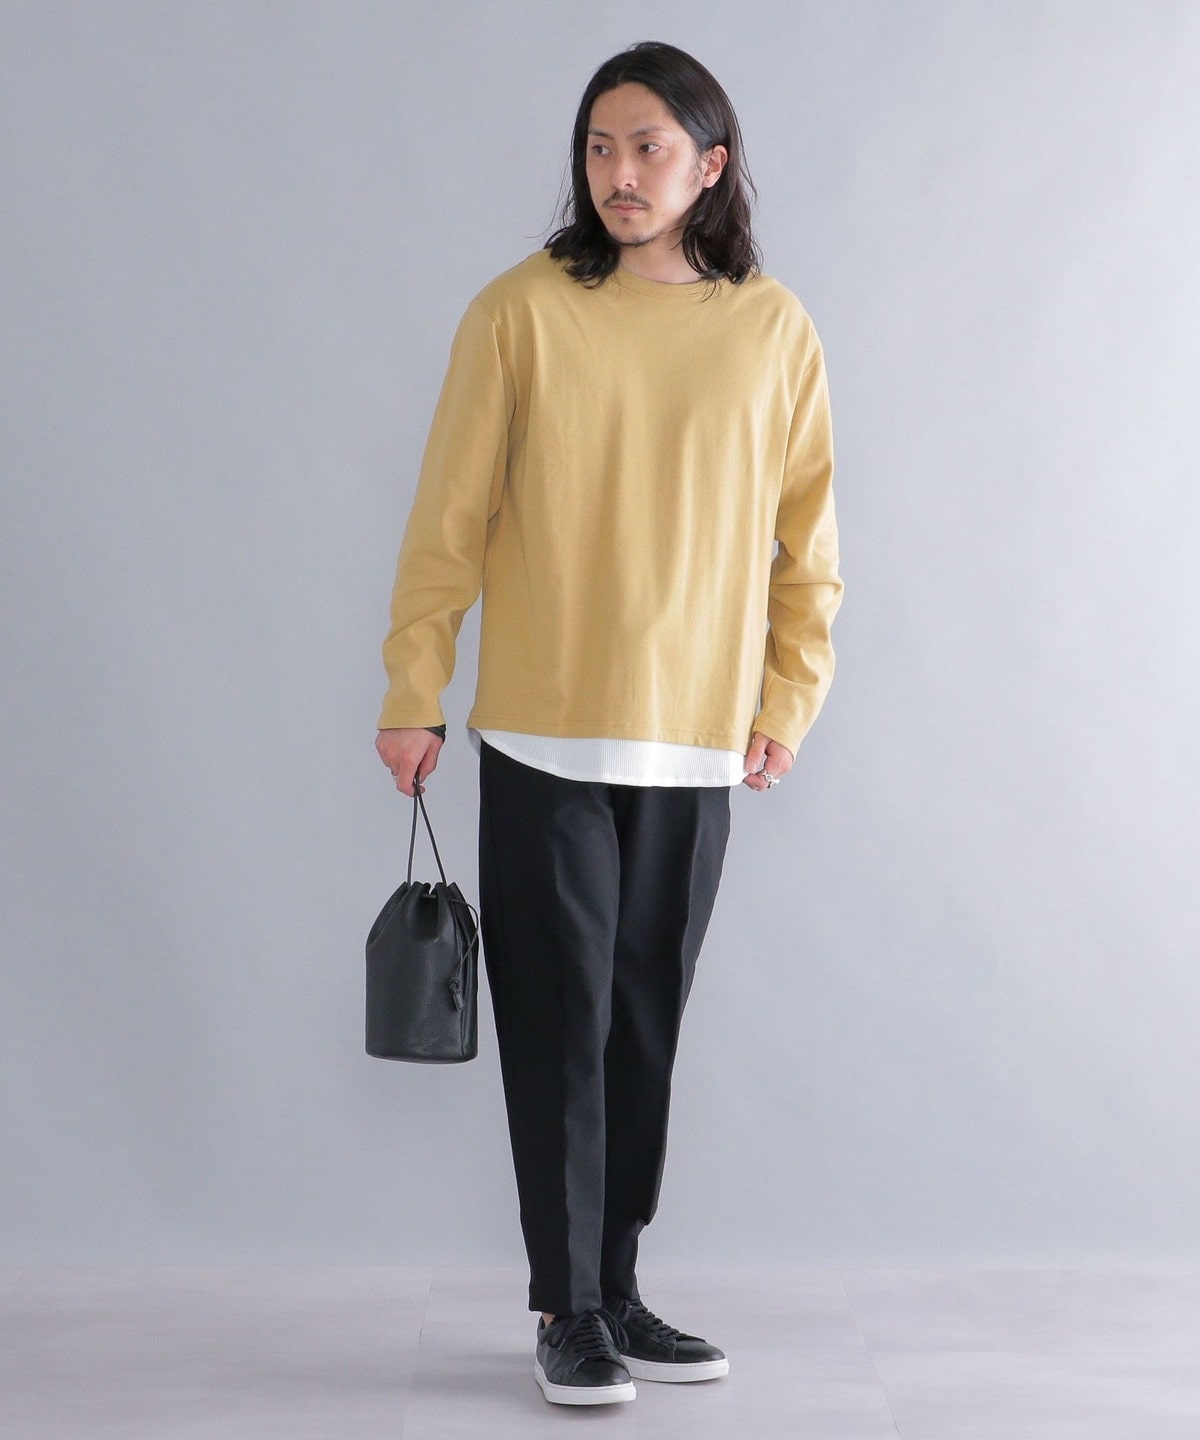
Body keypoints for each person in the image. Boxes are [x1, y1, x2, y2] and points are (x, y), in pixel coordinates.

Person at [375, 40, 843, 1407]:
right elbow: (447, 522)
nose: (620, 173)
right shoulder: (518, 312)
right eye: (599, 146)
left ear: (711, 165)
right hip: (543, 730)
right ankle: (563, 1304)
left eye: (649, 147)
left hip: (694, 738)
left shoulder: (774, 330)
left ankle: (618, 1287)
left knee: (644, 1026)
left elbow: (809, 544)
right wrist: (414, 689)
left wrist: (788, 698)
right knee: (560, 1025)